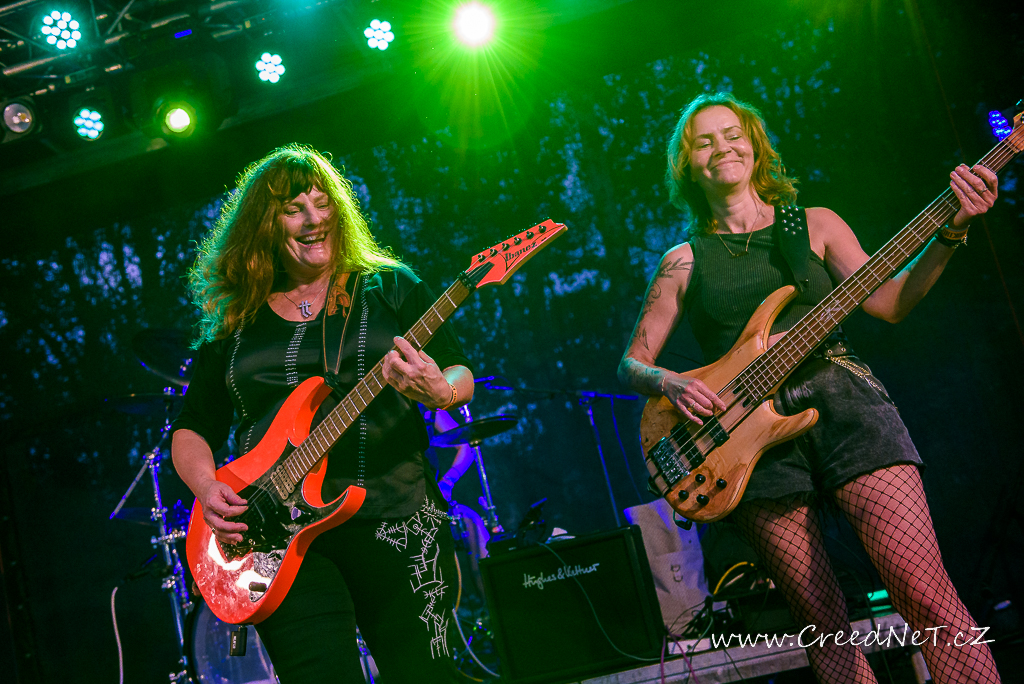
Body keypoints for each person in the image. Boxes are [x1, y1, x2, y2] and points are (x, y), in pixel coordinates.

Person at [618, 92, 1001, 683]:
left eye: (733, 134)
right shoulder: (682, 261)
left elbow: (890, 302)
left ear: (755, 145)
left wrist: (950, 233)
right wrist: (668, 382)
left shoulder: (813, 223)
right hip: (745, 444)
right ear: (686, 165)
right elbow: (632, 363)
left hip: (846, 407)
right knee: (821, 624)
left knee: (925, 594)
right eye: (704, 141)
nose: (722, 147)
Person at [171, 143, 474, 683]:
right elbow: (192, 427)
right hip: (276, 538)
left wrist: (440, 391)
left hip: (397, 515)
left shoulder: (389, 286)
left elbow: (458, 371)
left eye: (323, 202)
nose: (314, 219)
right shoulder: (236, 320)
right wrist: (206, 487)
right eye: (294, 208)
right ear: (264, 225)